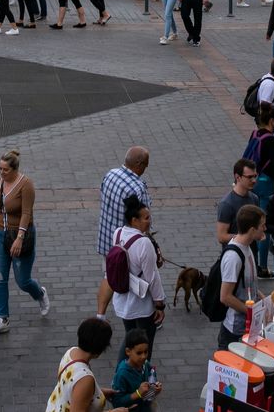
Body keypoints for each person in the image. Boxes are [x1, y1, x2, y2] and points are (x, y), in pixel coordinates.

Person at [0, 148, 46, 335]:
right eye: (0, 169)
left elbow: (27, 213)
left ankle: (40, 294)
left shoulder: (26, 185)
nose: (1, 172)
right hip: (1, 236)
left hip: (21, 236)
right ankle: (3, 319)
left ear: (15, 169)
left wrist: (19, 239)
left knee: (22, 281)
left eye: (5, 170)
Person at [93, 148, 152, 315]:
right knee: (138, 278)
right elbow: (143, 218)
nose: (145, 169)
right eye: (146, 166)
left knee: (109, 276)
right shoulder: (137, 188)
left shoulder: (110, 174)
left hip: (106, 239)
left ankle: (100, 315)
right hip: (128, 244)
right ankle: (140, 313)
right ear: (139, 164)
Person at [105, 197, 163, 354]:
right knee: (143, 344)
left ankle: (123, 374)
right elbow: (152, 278)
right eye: (146, 218)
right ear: (134, 220)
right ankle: (139, 373)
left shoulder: (118, 233)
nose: (149, 221)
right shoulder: (144, 243)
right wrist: (159, 304)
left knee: (129, 338)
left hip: (123, 297)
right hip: (141, 302)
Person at [216, 205, 265, 340]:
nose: (265, 229)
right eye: (262, 226)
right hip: (235, 332)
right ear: (252, 230)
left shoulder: (247, 247)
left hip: (248, 327)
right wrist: (252, 311)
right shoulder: (233, 257)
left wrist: (263, 300)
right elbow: (225, 297)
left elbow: (248, 284)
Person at [44, 317, 112, 412]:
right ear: (100, 349)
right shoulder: (85, 379)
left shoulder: (71, 352)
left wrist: (100, 392)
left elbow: (72, 388)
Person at [109, 331, 161, 412]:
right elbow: (117, 402)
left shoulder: (146, 364)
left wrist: (154, 389)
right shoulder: (122, 374)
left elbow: (151, 379)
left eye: (146, 352)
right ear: (128, 351)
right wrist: (137, 393)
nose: (143, 356)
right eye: (139, 353)